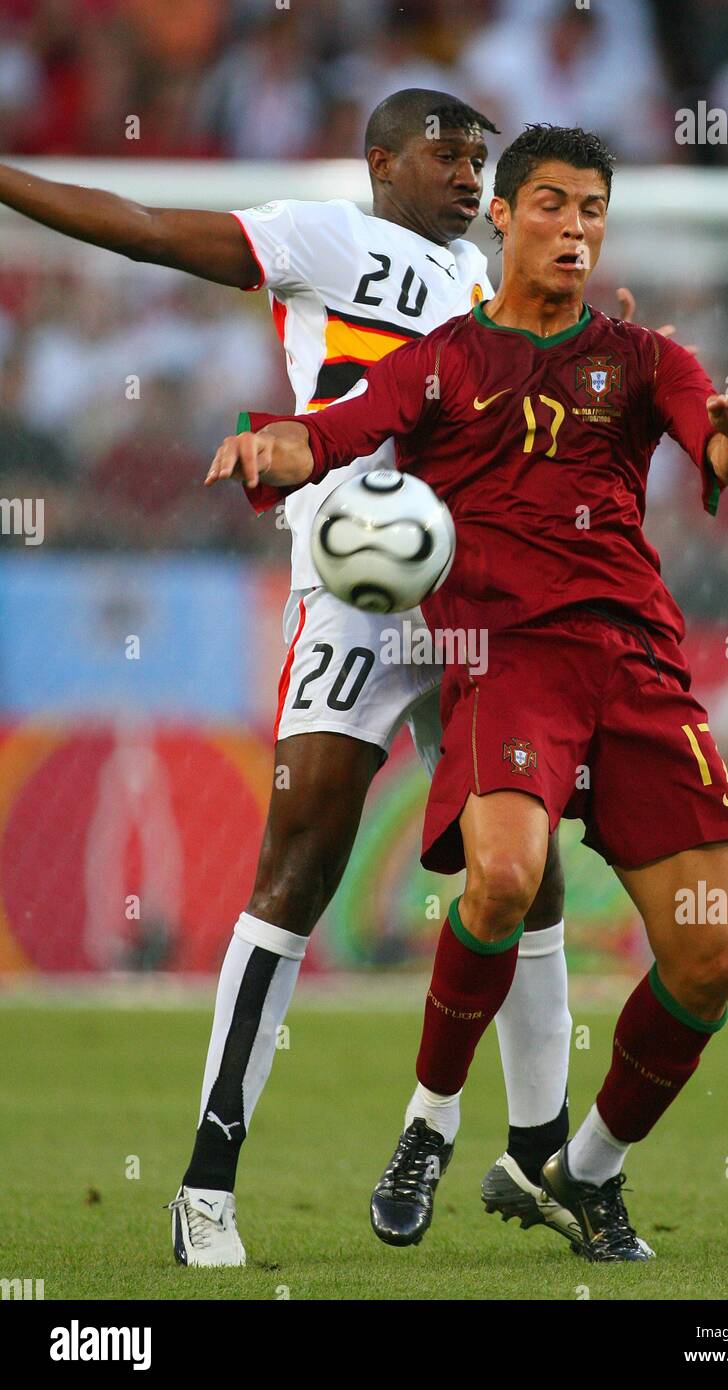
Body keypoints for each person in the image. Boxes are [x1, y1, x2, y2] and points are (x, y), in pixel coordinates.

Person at [0, 90, 585, 1265]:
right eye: (446, 155)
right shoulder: (329, 240)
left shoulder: (492, 296)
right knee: (298, 871)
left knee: (526, 873)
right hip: (357, 592)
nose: (469, 178)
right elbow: (148, 229)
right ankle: (207, 1185)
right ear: (380, 162)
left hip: (472, 600)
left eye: (481, 160)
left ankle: (540, 1153)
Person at [209, 123, 728, 1261]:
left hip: (633, 662)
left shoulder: (646, 358)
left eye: (592, 210)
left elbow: (718, 455)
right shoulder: (439, 362)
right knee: (505, 877)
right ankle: (428, 1121)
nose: (575, 227)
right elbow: (336, 432)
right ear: (501, 218)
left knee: (711, 954)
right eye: (553, 204)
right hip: (501, 658)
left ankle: (581, 1170)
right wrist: (272, 452)